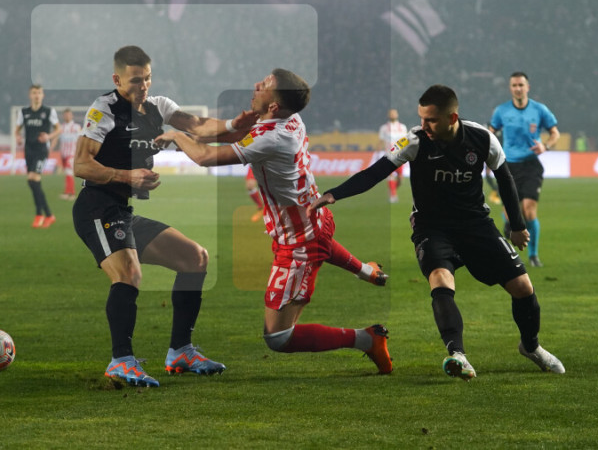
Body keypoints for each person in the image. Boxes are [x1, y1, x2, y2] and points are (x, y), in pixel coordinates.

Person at [309, 84, 564, 380]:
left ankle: (531, 347)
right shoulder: (413, 141)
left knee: (523, 287)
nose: (423, 125)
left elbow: (505, 179)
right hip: (432, 226)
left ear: (452, 118)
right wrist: (334, 194)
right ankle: (458, 355)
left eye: (430, 120)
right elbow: (375, 172)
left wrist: (517, 226)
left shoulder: (482, 138)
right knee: (441, 279)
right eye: (421, 118)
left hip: (475, 223)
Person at [155, 69, 392, 375]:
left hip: (298, 242)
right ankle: (366, 271)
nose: (256, 85)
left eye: (264, 85)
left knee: (278, 337)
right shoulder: (289, 119)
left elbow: (205, 157)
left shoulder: (272, 138)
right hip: (315, 219)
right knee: (321, 242)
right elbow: (230, 135)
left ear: (274, 106)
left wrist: (177, 136)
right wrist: (185, 124)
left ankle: (366, 339)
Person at [73, 45, 252, 387]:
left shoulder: (158, 107)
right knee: (128, 273)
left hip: (122, 211)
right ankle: (121, 361)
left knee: (195, 258)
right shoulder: (104, 109)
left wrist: (234, 124)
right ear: (117, 79)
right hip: (96, 207)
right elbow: (81, 164)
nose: (143, 86)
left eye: (147, 78)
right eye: (135, 80)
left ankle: (181, 351)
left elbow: (198, 126)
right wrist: (127, 176)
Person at [489, 72, 560, 267]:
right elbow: (490, 133)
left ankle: (533, 255)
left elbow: (554, 133)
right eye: (514, 85)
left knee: (528, 211)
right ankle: (509, 228)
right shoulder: (501, 111)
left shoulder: (539, 110)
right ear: (510, 88)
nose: (518, 88)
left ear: (527, 87)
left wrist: (545, 146)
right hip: (508, 167)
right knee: (512, 213)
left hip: (531, 166)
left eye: (521, 85)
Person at [16, 85, 61, 228]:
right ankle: (48, 215)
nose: (37, 95)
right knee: (33, 181)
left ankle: (39, 214)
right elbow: (17, 129)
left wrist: (49, 136)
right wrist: (18, 137)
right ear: (30, 95)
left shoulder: (48, 111)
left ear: (43, 95)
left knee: (33, 178)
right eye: (34, 93)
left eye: (39, 93)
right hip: (28, 149)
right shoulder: (24, 112)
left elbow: (58, 129)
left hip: (41, 149)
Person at [378, 108, 408, 203]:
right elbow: (381, 142)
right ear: (388, 115)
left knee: (400, 179)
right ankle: (393, 196)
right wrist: (378, 154)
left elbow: (406, 141)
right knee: (390, 176)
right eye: (391, 113)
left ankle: (392, 190)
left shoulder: (403, 127)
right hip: (389, 156)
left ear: (397, 115)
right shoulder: (384, 128)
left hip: (400, 156)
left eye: (394, 113)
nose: (392, 115)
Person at [54, 108, 81, 200]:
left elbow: (81, 140)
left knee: (69, 172)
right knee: (67, 173)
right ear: (63, 116)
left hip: (72, 154)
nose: (67, 116)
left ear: (72, 116)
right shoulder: (61, 128)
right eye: (65, 115)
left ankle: (72, 193)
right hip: (63, 154)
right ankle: (67, 192)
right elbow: (56, 139)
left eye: (68, 114)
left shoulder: (76, 127)